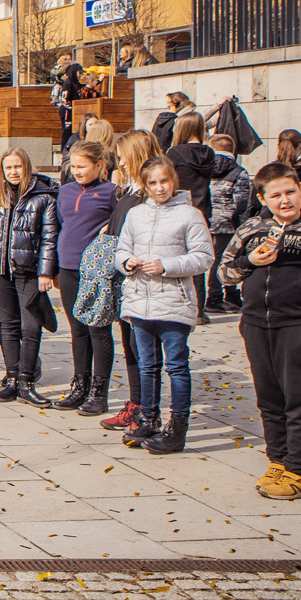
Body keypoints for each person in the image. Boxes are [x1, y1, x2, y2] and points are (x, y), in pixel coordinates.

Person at [220, 162, 301, 501]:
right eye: (276, 195)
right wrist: (251, 261)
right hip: (256, 325)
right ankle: (277, 460)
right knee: (268, 400)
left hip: (298, 327)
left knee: (298, 401)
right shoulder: (251, 228)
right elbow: (224, 273)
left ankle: (299, 471)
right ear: (263, 198)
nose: (285, 200)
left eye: (290, 192)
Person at [115, 156, 213, 454]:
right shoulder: (135, 214)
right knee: (147, 364)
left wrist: (167, 265)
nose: (160, 188)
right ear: (144, 185)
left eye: (164, 181)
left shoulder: (190, 215)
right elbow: (121, 248)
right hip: (140, 299)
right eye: (153, 183)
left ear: (174, 180)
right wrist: (127, 262)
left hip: (173, 300)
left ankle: (178, 425)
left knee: (176, 366)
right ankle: (148, 416)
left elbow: (204, 256)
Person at [0, 147, 60, 405]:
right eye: (8, 167)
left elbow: (49, 238)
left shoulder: (43, 199)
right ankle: (11, 377)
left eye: (17, 166)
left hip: (29, 272)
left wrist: (46, 271)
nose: (13, 172)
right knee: (7, 326)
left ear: (27, 167)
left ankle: (27, 380)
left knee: (31, 326)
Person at [99, 129, 162, 432]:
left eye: (123, 157)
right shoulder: (127, 191)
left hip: (145, 282)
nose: (120, 163)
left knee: (145, 351)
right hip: (125, 279)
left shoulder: (148, 197)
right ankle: (136, 403)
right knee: (131, 345)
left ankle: (146, 409)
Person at [53, 140, 117, 412]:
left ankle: (99, 392)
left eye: (82, 166)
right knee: (77, 329)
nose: (76, 171)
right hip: (67, 269)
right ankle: (80, 385)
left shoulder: (112, 192)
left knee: (97, 329)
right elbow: (59, 225)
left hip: (95, 271)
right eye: (73, 166)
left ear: (99, 166)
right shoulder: (65, 191)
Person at [164, 111, 217, 322]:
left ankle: (181, 306)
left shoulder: (175, 153)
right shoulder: (210, 153)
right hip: (203, 209)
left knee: (177, 257)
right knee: (199, 259)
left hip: (180, 208)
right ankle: (199, 311)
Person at [205, 133, 253, 314]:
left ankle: (225, 294)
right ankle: (216, 297)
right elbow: (242, 203)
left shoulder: (204, 168)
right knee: (223, 260)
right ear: (233, 150)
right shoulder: (239, 172)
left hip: (206, 221)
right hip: (227, 224)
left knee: (210, 259)